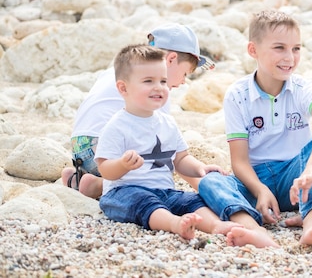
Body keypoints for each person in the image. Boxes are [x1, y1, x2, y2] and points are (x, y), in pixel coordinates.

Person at [197, 9, 312, 250]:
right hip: (255, 179)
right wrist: (260, 189)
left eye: (296, 48)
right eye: (279, 48)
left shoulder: (301, 87)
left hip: (296, 178)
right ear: (253, 50)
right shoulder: (238, 94)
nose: (290, 57)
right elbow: (240, 162)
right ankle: (254, 231)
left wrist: (311, 168)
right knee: (209, 182)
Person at [95, 44, 236, 239]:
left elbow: (180, 159)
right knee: (144, 202)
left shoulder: (167, 122)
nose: (158, 87)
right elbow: (105, 169)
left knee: (192, 200)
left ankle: (215, 226)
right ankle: (174, 223)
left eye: (163, 81)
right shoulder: (117, 125)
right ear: (123, 88)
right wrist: (122, 164)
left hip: (165, 191)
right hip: (124, 192)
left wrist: (200, 169)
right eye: (148, 81)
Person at [61, 23, 214, 198]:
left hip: (81, 147)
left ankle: (79, 179)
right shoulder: (153, 90)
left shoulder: (121, 71)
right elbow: (168, 150)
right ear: (170, 60)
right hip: (106, 151)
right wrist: (202, 185)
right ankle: (97, 185)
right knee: (154, 165)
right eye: (185, 73)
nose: (183, 82)